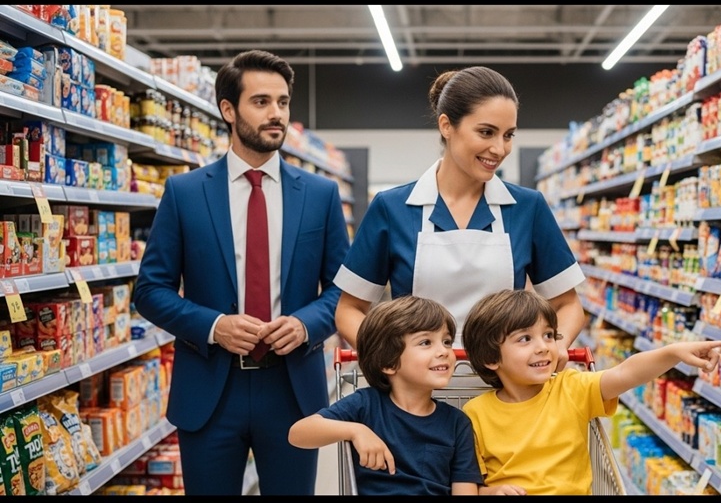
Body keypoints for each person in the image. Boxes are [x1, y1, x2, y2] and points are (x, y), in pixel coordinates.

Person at [132, 49, 350, 495]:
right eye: (262, 102)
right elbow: (151, 290)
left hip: (292, 389)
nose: (277, 114)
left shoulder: (320, 194)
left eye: (283, 102)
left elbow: (342, 293)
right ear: (228, 110)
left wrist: (307, 324)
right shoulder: (185, 193)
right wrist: (214, 326)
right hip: (212, 388)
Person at [333, 66, 585, 367]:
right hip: (417, 393)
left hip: (506, 389)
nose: (499, 148)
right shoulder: (393, 208)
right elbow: (349, 309)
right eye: (486, 132)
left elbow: (568, 304)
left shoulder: (526, 207)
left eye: (508, 135)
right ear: (446, 126)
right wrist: (392, 360)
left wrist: (558, 343)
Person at [461, 289, 721, 496]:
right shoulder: (476, 414)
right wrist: (490, 491)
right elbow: (468, 484)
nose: (543, 347)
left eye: (549, 335)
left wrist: (673, 352)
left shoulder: (571, 388)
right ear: (490, 357)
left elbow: (626, 373)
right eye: (525, 339)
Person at [288, 295, 483, 495]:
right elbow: (298, 434)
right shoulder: (366, 405)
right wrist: (356, 431)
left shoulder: (457, 423)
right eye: (426, 342)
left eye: (447, 341)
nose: (443, 351)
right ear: (388, 363)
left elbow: (464, 489)